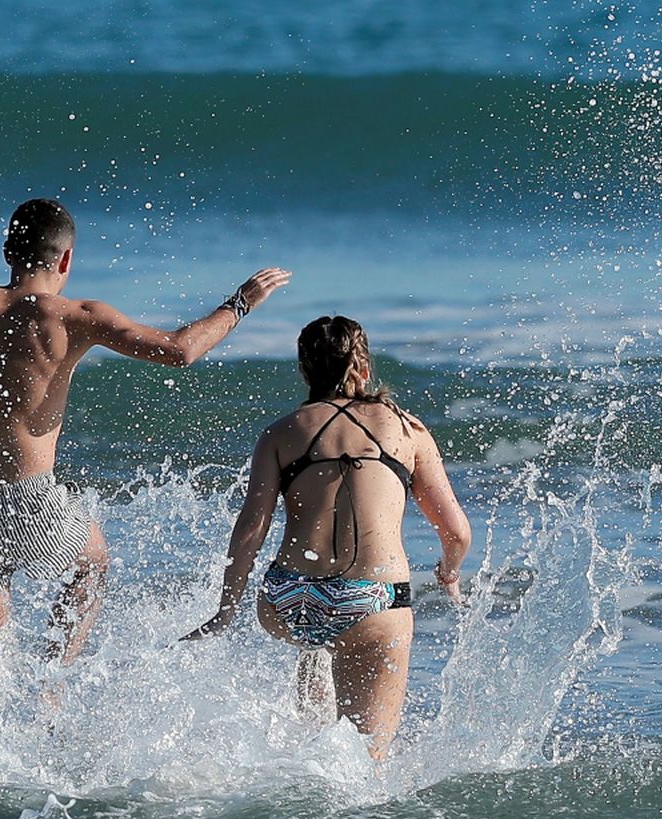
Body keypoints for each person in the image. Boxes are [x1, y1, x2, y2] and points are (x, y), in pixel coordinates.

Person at [0, 198, 290, 696]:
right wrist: (241, 301)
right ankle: (52, 684)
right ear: (66, 260)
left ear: (9, 253)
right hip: (27, 501)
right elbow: (181, 350)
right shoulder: (73, 316)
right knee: (92, 563)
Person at [183, 315, 471, 760]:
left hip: (288, 597)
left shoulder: (281, 432)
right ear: (364, 369)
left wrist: (226, 610)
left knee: (316, 641)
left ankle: (311, 718)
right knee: (367, 764)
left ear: (305, 370)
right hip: (372, 600)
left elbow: (250, 530)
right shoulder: (407, 429)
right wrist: (449, 572)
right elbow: (455, 531)